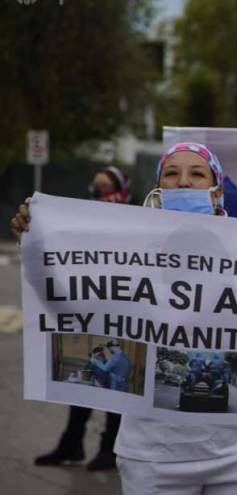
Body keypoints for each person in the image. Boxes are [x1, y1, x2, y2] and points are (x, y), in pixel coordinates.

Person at [11, 141, 237, 495]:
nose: (184, 182)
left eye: (197, 174)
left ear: (217, 192)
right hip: (154, 457)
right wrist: (34, 248)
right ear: (157, 190)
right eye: (172, 174)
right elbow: (70, 309)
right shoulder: (125, 257)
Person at [29, 165, 131, 471]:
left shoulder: (137, 220)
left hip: (121, 313)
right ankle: (71, 443)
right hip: (88, 310)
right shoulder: (83, 217)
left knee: (115, 385)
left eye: (105, 187)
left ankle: (110, 449)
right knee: (85, 380)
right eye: (95, 187)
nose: (98, 193)